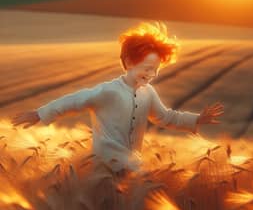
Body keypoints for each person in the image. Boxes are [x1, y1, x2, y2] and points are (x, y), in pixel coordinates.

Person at [11, 22, 224, 173]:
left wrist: (196, 119)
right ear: (130, 62)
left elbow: (165, 117)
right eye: (147, 68)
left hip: (131, 163)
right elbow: (73, 101)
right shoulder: (108, 92)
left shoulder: (148, 93)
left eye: (156, 69)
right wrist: (40, 113)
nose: (152, 74)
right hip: (106, 165)